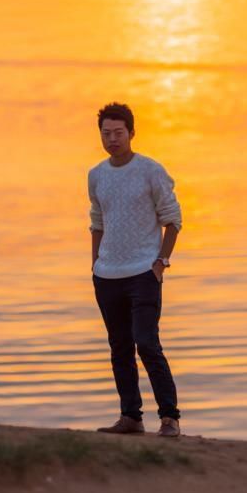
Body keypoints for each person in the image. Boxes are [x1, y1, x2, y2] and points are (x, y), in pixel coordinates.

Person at [88, 102, 183, 438]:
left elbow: (173, 219)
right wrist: (95, 263)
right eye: (106, 133)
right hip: (107, 275)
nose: (112, 138)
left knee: (146, 343)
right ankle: (131, 417)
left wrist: (160, 263)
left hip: (144, 272)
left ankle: (169, 417)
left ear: (131, 133)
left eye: (118, 132)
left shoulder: (150, 171)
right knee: (119, 347)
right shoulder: (96, 174)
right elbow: (97, 221)